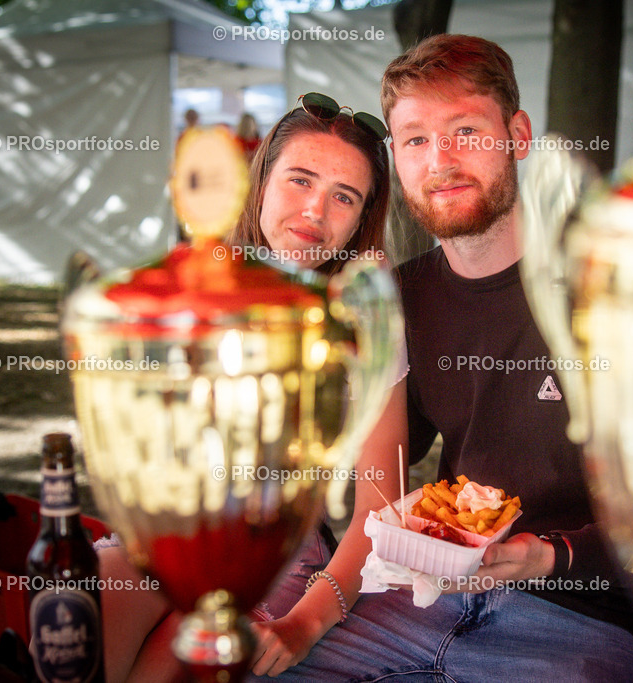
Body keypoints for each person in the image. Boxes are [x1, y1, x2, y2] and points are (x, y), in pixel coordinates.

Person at [248, 34, 633, 682]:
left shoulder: (609, 292)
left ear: (518, 135)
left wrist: (547, 555)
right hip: (434, 598)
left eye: (465, 130)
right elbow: (365, 478)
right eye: (415, 140)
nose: (440, 159)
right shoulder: (402, 298)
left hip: (585, 624)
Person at [97, 92, 405, 683]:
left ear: (362, 218)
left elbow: (379, 508)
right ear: (261, 180)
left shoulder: (365, 321)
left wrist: (306, 623)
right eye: (300, 179)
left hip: (279, 551)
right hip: (169, 534)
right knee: (79, 627)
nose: (315, 211)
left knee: (174, 665)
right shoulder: (199, 280)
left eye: (344, 196)